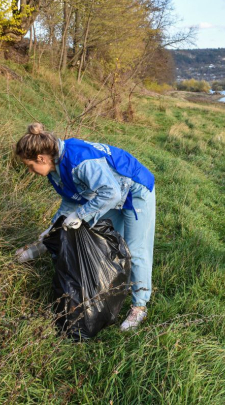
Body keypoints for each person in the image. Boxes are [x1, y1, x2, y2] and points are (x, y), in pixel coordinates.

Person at [14, 123, 156, 331]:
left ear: (41, 158)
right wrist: (48, 235)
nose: (29, 171)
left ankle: (139, 307)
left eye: (29, 165)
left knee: (135, 249)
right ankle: (114, 289)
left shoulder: (79, 161)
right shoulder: (55, 168)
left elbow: (111, 193)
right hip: (113, 191)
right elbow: (70, 201)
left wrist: (80, 215)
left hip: (134, 190)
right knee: (111, 242)